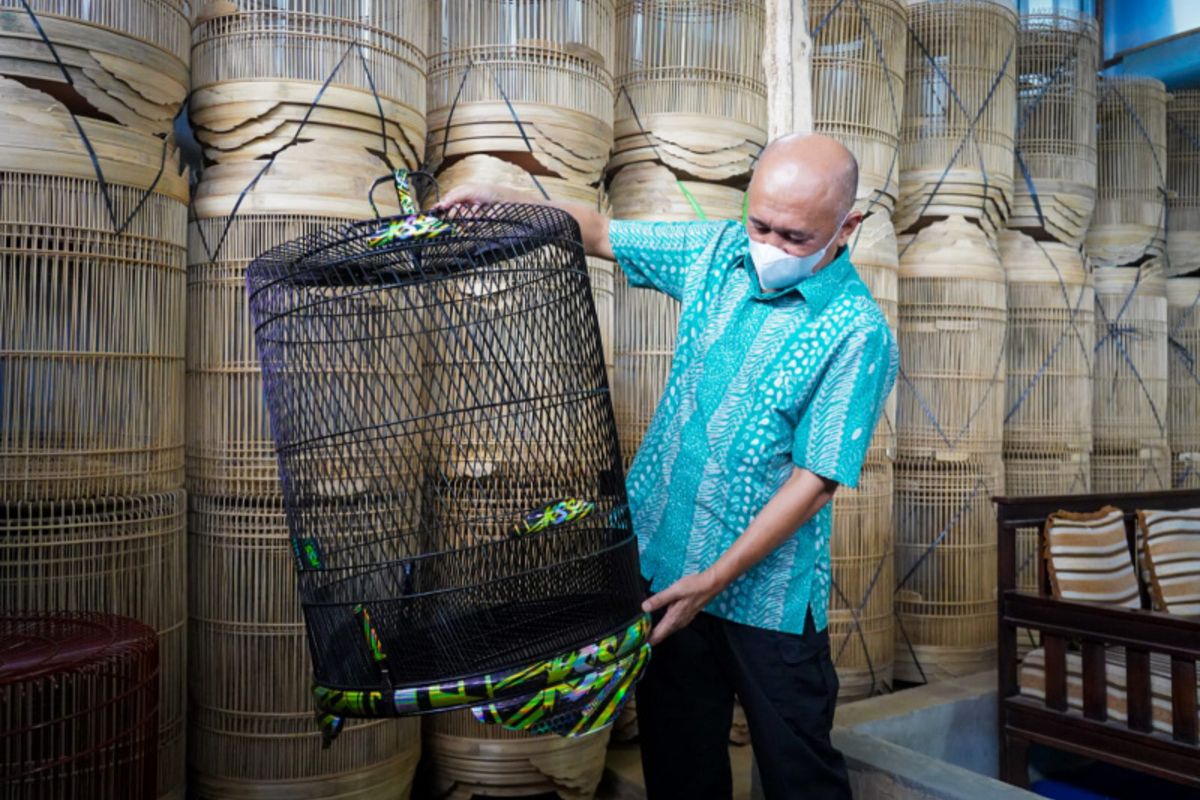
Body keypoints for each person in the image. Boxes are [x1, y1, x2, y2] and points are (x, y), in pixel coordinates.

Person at [435, 133, 898, 800]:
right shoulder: (715, 254)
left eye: (795, 237)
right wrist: (507, 200)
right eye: (759, 223)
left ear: (845, 226)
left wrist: (714, 579)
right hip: (664, 568)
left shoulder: (857, 331)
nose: (768, 246)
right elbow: (598, 230)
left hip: (765, 596)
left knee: (800, 771)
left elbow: (814, 479)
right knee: (679, 762)